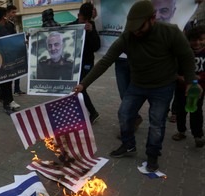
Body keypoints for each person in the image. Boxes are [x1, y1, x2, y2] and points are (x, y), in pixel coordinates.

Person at [74, 0, 199, 172]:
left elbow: (187, 57)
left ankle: (153, 154)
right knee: (124, 113)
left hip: (163, 86)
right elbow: (105, 61)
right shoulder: (128, 36)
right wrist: (83, 84)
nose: (136, 32)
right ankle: (128, 145)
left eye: (140, 28)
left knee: (156, 122)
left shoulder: (170, 32)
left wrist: (191, 82)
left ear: (152, 19)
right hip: (138, 84)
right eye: (133, 28)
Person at [171, 25, 205, 147]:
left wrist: (200, 78)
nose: (197, 43)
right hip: (181, 89)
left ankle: (198, 135)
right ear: (188, 40)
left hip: (198, 90)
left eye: (201, 39)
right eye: (194, 40)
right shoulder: (183, 52)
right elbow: (173, 69)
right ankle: (181, 131)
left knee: (196, 111)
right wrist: (179, 78)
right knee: (181, 111)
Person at [67, 2, 101, 124]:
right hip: (73, 63)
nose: (84, 22)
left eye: (87, 19)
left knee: (81, 87)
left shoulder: (91, 26)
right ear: (78, 15)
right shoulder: (71, 26)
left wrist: (91, 31)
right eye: (83, 19)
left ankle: (93, 113)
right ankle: (84, 112)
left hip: (87, 64)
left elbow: (96, 47)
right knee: (76, 88)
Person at [5, 4, 25, 96]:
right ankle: (2, 92)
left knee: (17, 70)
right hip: (9, 53)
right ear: (8, 13)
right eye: (13, 12)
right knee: (11, 73)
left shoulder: (11, 23)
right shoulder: (6, 24)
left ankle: (17, 89)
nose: (14, 14)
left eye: (15, 12)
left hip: (14, 51)